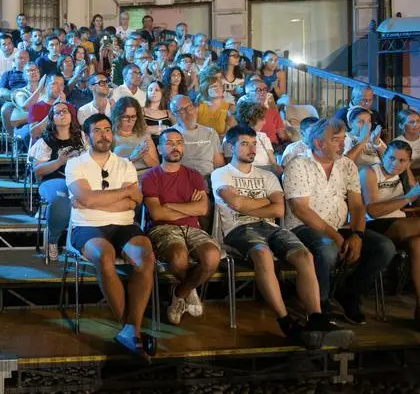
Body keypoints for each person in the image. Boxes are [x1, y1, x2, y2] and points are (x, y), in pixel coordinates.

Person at [212, 126, 348, 347]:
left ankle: (316, 317)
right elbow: (235, 204)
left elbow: (279, 211)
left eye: (254, 143)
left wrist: (247, 206)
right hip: (238, 229)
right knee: (263, 255)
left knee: (304, 255)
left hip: (270, 227)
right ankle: (285, 321)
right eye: (245, 143)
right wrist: (263, 203)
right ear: (231, 146)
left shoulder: (267, 175)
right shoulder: (221, 173)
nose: (251, 148)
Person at [283, 118, 397, 324]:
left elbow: (357, 206)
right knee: (327, 248)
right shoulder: (299, 164)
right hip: (302, 228)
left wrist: (357, 235)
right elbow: (301, 210)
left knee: (385, 247)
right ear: (318, 143)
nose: (343, 144)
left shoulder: (347, 165)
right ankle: (321, 305)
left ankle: (350, 293)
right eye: (336, 140)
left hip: (338, 226)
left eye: (344, 139)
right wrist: (335, 236)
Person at [66, 114, 155, 357]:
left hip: (124, 224)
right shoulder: (75, 164)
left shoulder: (125, 164)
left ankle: (130, 330)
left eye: (107, 129)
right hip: (86, 226)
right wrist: (120, 194)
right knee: (104, 256)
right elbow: (88, 198)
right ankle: (132, 330)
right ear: (86, 136)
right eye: (97, 130)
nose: (104, 134)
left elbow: (133, 202)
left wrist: (93, 201)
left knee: (145, 257)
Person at [142, 128, 219, 325]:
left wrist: (169, 205)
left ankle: (179, 293)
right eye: (169, 143)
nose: (175, 147)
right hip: (162, 228)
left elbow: (202, 209)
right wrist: (188, 208)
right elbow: (157, 214)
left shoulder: (194, 175)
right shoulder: (151, 176)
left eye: (179, 142)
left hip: (192, 228)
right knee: (178, 257)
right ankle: (190, 291)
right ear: (159, 148)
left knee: (212, 257)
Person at [360, 140, 420, 324]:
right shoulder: (369, 172)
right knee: (407, 225)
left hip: (402, 226)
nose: (395, 164)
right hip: (374, 226)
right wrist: (406, 198)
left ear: (409, 163)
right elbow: (373, 211)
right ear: (383, 156)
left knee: (417, 244)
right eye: (392, 158)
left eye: (402, 161)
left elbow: (413, 199)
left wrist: (407, 175)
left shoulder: (403, 174)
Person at [28, 102, 85, 261]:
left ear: (70, 116)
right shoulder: (46, 141)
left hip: (80, 178)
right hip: (55, 178)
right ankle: (53, 240)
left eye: (65, 111)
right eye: (57, 112)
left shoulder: (82, 137)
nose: (62, 114)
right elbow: (37, 170)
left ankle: (83, 241)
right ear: (52, 118)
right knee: (62, 199)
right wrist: (59, 162)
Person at [168, 95, 224, 179]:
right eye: (182, 110)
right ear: (174, 115)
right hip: (182, 179)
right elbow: (168, 166)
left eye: (189, 107)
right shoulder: (169, 134)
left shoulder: (210, 132)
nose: (188, 112)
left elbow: (219, 164)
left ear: (194, 108)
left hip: (208, 180)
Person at [111, 97, 159, 174]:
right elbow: (108, 169)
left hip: (147, 177)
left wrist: (145, 156)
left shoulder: (144, 135)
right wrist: (132, 158)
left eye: (133, 117)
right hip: (124, 180)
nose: (130, 121)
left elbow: (157, 167)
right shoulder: (111, 136)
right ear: (118, 116)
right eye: (126, 117)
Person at [233, 101, 282, 175]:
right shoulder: (232, 137)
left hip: (266, 173)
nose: (264, 122)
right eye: (262, 119)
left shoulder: (263, 136)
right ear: (252, 120)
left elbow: (273, 162)